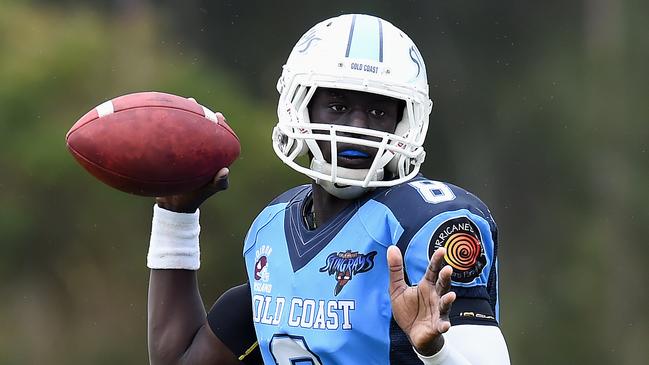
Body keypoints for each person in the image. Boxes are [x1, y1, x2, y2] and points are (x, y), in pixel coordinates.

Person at [146, 14, 510, 365]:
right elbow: (180, 359)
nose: (356, 127)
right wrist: (176, 213)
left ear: (406, 121)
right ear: (300, 107)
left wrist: (435, 352)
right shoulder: (273, 225)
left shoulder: (430, 223)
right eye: (337, 106)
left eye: (379, 112)